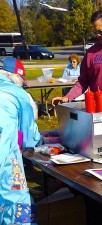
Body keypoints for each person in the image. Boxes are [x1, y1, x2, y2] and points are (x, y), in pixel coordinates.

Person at [0, 59, 41, 224]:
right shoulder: (17, 92)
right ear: (16, 77)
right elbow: (29, 136)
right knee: (19, 204)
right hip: (4, 162)